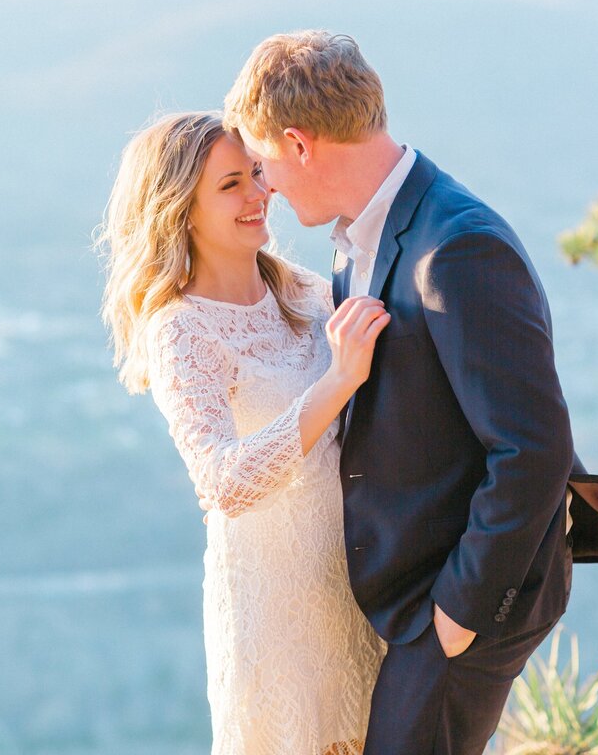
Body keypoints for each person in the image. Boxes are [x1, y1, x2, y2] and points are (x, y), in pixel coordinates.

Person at [219, 30, 579, 755]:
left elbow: (534, 450)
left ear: (299, 144)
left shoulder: (456, 246)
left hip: (465, 596)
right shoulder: (364, 237)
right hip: (418, 593)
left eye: (261, 166)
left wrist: (458, 614)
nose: (267, 189)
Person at [97, 110, 389, 755]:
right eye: (231, 184)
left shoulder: (305, 291)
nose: (260, 194)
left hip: (363, 586)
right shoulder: (179, 330)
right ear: (180, 208)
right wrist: (335, 382)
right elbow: (223, 483)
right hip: (277, 611)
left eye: (257, 173)